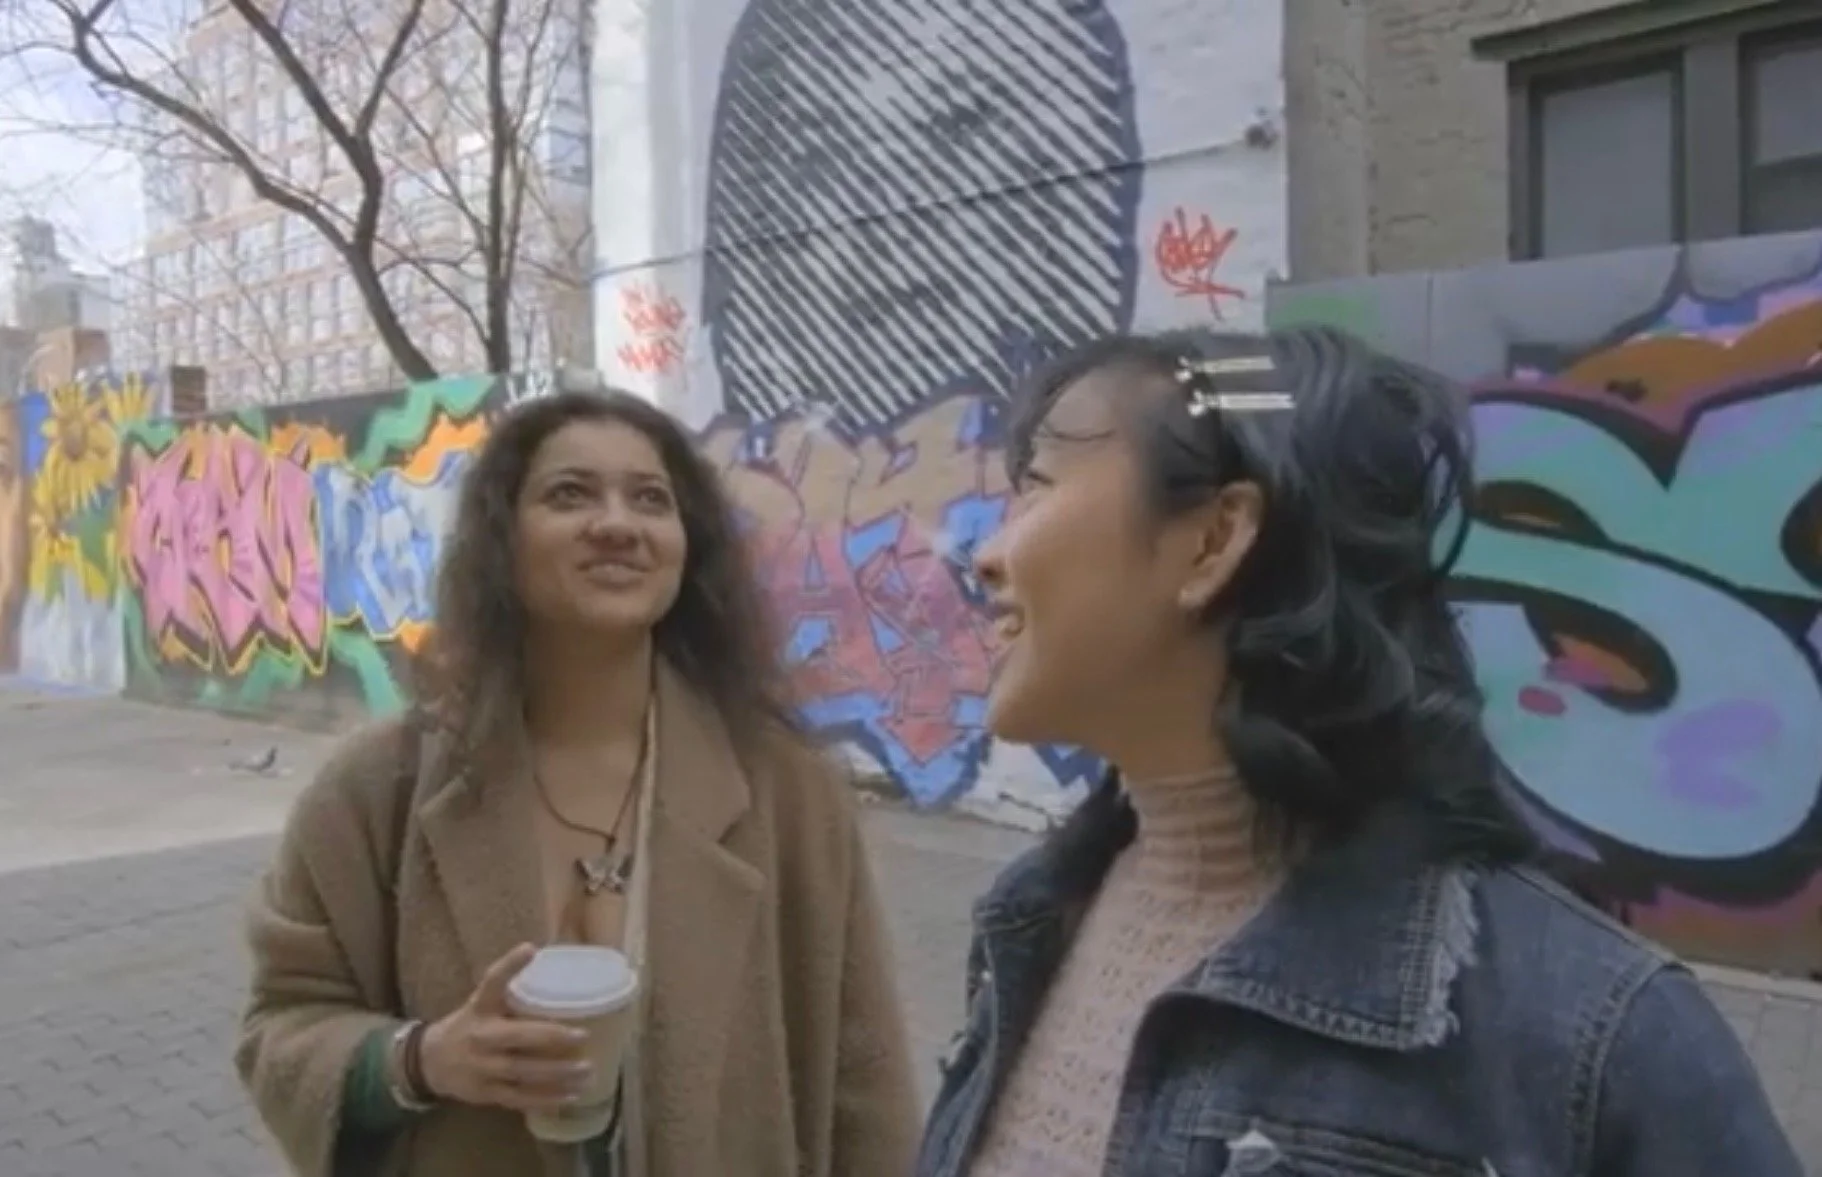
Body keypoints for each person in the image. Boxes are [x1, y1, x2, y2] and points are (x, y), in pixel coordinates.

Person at [916, 327, 1800, 1176]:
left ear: (1215, 540)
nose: (982, 550)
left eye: (1033, 486)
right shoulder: (1030, 921)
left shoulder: (1590, 1031)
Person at [236, 390, 920, 1177]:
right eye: (570, 494)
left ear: (685, 546)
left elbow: (863, 1079)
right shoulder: (374, 790)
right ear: (502, 538)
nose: (618, 524)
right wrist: (422, 1059)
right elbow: (279, 1026)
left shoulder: (792, 793)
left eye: (651, 499)